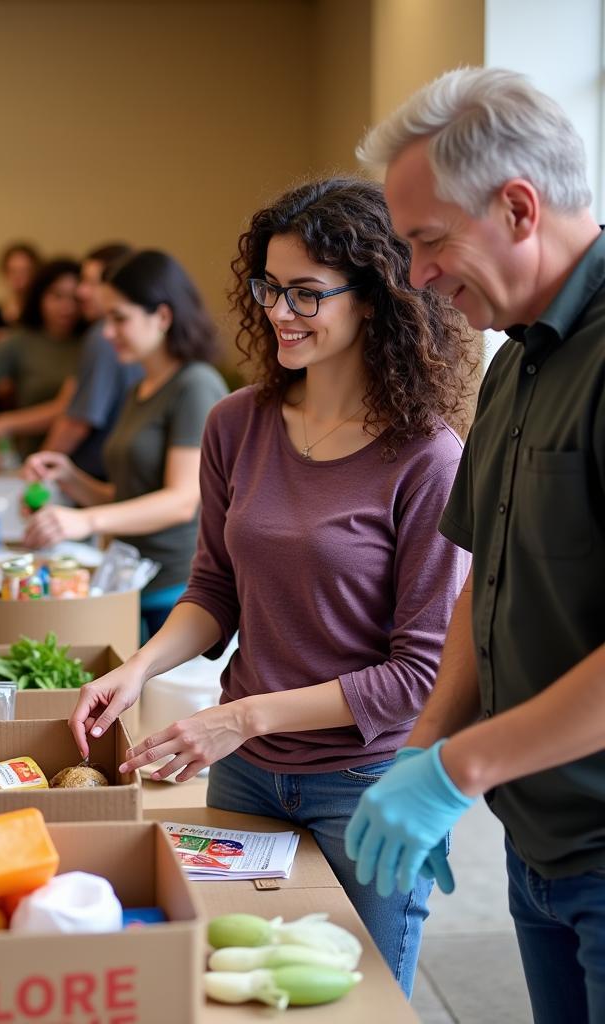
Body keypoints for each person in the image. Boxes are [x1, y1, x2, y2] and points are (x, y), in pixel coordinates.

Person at [69, 182, 478, 996]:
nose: (280, 310)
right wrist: (140, 668)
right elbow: (214, 588)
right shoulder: (236, 424)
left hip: (364, 785)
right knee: (235, 988)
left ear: (375, 299)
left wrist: (239, 716)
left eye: (306, 293)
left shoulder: (428, 459)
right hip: (248, 775)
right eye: (269, 287)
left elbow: (416, 677)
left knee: (357, 1001)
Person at [343, 68, 605, 1023]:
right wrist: (425, 747)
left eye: (428, 241)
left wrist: (458, 769)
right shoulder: (514, 362)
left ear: (520, 206)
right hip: (537, 841)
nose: (416, 276)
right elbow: (479, 591)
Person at [23, 250, 228, 637]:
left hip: (176, 591)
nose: (107, 332)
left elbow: (181, 501)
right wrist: (71, 479)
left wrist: (84, 520)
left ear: (162, 317)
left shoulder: (195, 385)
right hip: (131, 582)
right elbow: (127, 496)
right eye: (105, 319)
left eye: (119, 319)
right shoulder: (140, 390)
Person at [0, 258, 86, 463]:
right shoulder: (20, 342)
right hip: (31, 458)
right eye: (57, 296)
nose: (67, 307)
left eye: (75, 299)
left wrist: (5, 423)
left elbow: (69, 408)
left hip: (82, 463)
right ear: (40, 296)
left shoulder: (92, 344)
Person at [42, 243, 143, 480]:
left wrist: (39, 469)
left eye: (92, 283)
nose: (81, 292)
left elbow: (77, 422)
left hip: (97, 477)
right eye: (82, 281)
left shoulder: (101, 336)